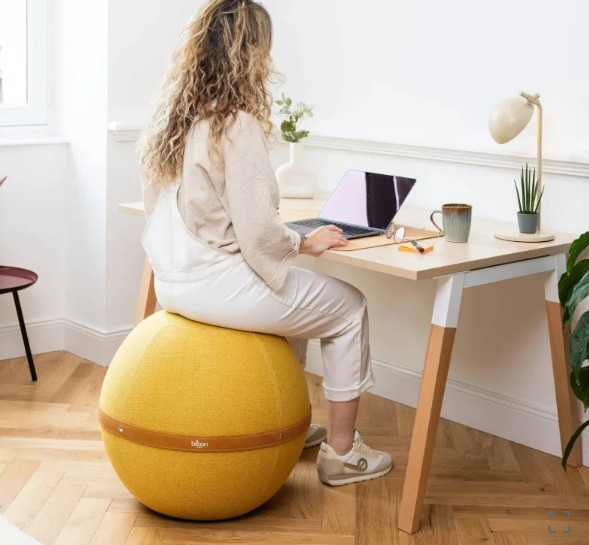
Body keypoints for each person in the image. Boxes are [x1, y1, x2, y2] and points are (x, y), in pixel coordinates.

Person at [139, 0, 392, 486]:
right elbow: (257, 234)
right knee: (348, 307)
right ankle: (343, 454)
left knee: (294, 293)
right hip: (217, 286)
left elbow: (177, 211)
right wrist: (305, 242)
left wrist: (283, 243)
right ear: (252, 52)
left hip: (174, 282)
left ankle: (286, 423)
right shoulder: (236, 122)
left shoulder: (174, 121)